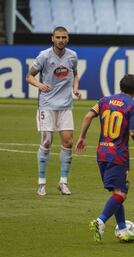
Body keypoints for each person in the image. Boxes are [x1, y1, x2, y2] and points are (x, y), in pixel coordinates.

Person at [75, 74, 134, 242]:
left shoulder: (104, 101)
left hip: (101, 153)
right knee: (122, 193)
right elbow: (133, 133)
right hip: (118, 155)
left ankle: (122, 230)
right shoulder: (132, 107)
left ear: (120, 86)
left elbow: (87, 116)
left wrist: (82, 137)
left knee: (117, 193)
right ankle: (100, 221)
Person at [26, 26, 81, 196]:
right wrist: (40, 85)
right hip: (47, 104)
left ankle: (63, 182)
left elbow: (75, 74)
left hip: (65, 105)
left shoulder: (72, 56)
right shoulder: (44, 56)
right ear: (52, 38)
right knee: (47, 142)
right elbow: (29, 76)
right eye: (58, 37)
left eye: (64, 37)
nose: (61, 40)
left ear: (68, 38)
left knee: (68, 142)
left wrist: (75, 88)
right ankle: (41, 183)